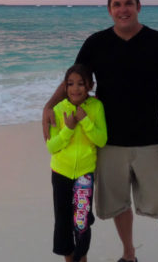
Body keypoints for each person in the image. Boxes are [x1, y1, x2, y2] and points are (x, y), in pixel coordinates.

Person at [43, 0, 158, 262]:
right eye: (117, 4)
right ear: (110, 10)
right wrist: (49, 105)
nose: (123, 9)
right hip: (108, 142)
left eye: (128, 3)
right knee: (119, 204)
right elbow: (74, 81)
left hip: (151, 140)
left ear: (139, 6)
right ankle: (129, 255)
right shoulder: (96, 43)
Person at [46, 64, 107, 262]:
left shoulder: (96, 107)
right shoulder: (58, 109)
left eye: (81, 84)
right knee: (63, 222)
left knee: (81, 222)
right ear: (65, 87)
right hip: (61, 173)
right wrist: (69, 128)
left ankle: (82, 258)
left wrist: (86, 121)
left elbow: (101, 140)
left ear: (90, 85)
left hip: (84, 175)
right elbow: (52, 147)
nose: (75, 88)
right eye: (70, 84)